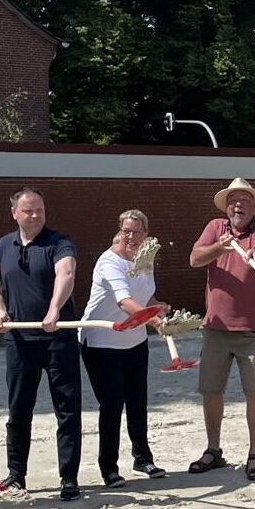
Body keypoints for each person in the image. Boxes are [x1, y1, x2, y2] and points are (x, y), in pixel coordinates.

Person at [0, 187, 82, 501]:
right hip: (19, 341)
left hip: (59, 340)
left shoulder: (59, 242)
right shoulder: (2, 247)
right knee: (18, 411)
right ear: (14, 212)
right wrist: (0, 312)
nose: (36, 215)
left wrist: (54, 308)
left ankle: (69, 479)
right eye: (28, 210)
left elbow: (65, 273)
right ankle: (16, 475)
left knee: (67, 411)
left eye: (40, 209)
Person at [187, 178, 255, 482]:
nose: (238, 206)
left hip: (253, 330)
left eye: (244, 201)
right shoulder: (215, 227)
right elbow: (195, 258)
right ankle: (213, 450)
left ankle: (254, 454)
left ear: (254, 207)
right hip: (216, 327)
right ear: (226, 207)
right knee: (211, 391)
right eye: (233, 201)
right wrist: (220, 246)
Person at [79, 209, 170, 488]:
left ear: (146, 233)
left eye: (137, 232)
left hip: (134, 340)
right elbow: (125, 302)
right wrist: (154, 320)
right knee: (112, 404)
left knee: (137, 399)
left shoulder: (145, 258)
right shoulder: (109, 263)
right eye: (126, 231)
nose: (131, 237)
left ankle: (142, 458)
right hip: (101, 340)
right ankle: (108, 467)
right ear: (119, 230)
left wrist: (160, 307)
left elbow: (145, 295)